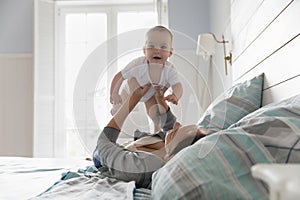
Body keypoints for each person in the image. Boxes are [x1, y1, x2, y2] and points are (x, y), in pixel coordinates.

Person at [93, 80, 209, 189]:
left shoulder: (147, 167)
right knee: (165, 130)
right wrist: (160, 100)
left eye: (177, 132)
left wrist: (132, 100)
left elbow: (103, 144)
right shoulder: (170, 149)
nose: (177, 124)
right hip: (132, 150)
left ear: (172, 156)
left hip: (103, 157)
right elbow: (170, 127)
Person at [109, 25, 183, 133]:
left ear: (170, 53)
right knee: (120, 109)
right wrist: (114, 93)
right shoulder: (138, 64)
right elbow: (119, 76)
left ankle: (157, 132)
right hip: (130, 89)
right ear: (144, 50)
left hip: (150, 94)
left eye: (163, 47)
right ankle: (115, 110)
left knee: (155, 114)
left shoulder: (170, 69)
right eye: (152, 46)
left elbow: (177, 85)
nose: (157, 50)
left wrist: (175, 95)